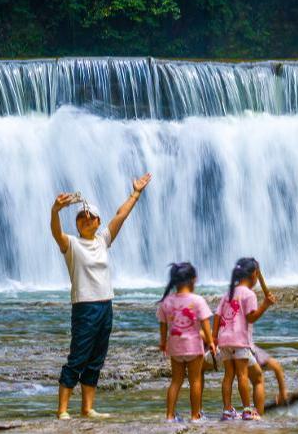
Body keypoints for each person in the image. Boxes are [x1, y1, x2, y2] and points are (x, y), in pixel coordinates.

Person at [51, 173, 152, 420]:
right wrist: (55, 210)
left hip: (105, 305)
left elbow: (121, 215)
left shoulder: (103, 240)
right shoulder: (71, 245)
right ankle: (62, 410)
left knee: (96, 358)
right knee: (77, 357)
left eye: (89, 217)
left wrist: (136, 193)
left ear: (98, 221)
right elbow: (56, 232)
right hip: (84, 308)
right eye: (80, 218)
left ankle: (87, 408)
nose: (85, 219)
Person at [213, 257, 276, 421]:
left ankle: (227, 410)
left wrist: (214, 337)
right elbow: (251, 318)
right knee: (242, 375)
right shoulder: (249, 295)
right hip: (240, 341)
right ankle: (247, 410)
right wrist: (265, 305)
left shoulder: (228, 294)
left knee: (228, 375)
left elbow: (218, 315)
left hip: (224, 340)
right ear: (255, 275)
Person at [156, 262, 215, 423]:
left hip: (175, 347)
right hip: (194, 347)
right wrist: (211, 343)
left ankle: (169, 416)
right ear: (193, 280)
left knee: (176, 381)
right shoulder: (197, 300)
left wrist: (163, 343)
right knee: (195, 380)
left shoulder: (166, 302)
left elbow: (163, 324)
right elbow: (205, 324)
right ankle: (195, 416)